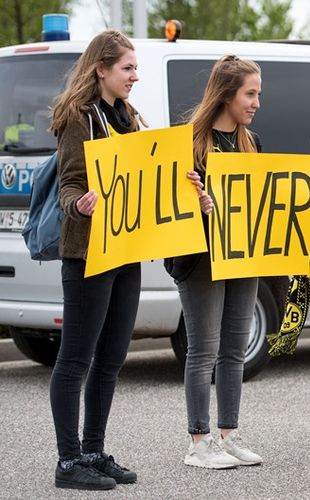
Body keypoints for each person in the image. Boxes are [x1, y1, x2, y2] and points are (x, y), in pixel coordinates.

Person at [169, 55, 310, 469]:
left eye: (259, 93)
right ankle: (198, 441)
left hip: (243, 255)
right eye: (250, 93)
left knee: (235, 347)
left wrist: (308, 208)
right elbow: (168, 205)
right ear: (225, 94)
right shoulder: (189, 143)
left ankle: (228, 435)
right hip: (201, 258)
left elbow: (265, 205)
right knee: (203, 349)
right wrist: (195, 203)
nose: (257, 102)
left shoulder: (251, 143)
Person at [49, 30, 143, 490]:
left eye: (135, 67)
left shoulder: (129, 117)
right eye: (127, 67)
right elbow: (68, 184)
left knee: (111, 359)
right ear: (101, 69)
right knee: (76, 359)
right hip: (88, 252)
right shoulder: (78, 118)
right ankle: (68, 462)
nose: (134, 76)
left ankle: (93, 450)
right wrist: (77, 205)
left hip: (127, 250)